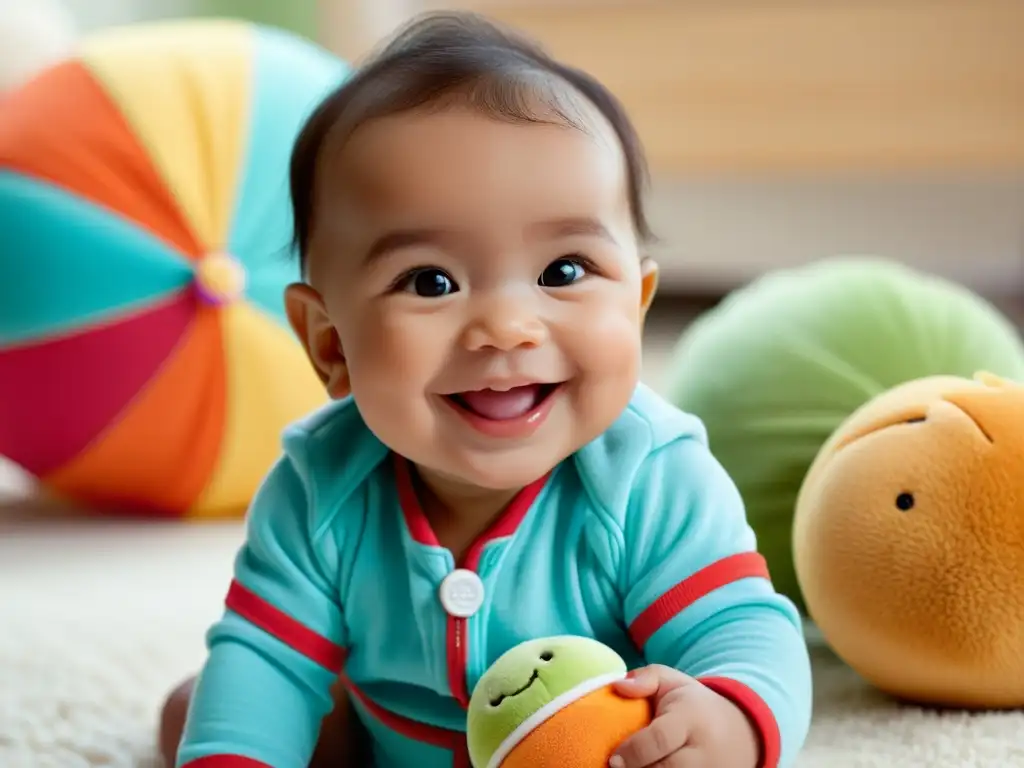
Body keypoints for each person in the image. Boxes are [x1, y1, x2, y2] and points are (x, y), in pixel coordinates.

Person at [160, 10, 812, 768]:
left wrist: (730, 717)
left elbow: (742, 628)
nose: (506, 327)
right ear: (330, 343)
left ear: (635, 305)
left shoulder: (648, 473)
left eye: (563, 272)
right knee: (208, 711)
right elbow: (262, 657)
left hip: (590, 750)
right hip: (387, 742)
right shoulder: (319, 487)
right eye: (431, 282)